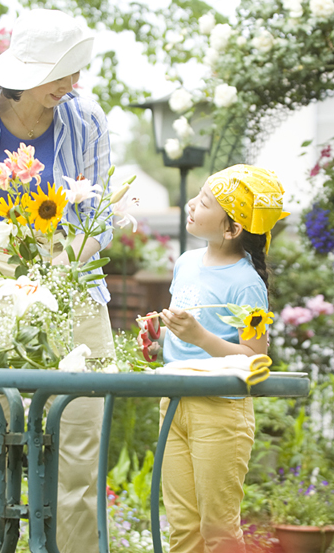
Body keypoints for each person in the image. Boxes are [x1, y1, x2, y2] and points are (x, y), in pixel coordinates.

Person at [0, 8, 115, 553]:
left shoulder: (87, 117)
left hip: (69, 269)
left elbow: (99, 209)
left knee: (82, 428)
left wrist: (70, 257)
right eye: (61, 73)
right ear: (26, 74)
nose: (72, 84)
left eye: (75, 72)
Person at [140, 164, 289, 553]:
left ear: (231, 229)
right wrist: (159, 340)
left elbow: (256, 356)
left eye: (204, 201)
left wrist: (200, 337)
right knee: (183, 527)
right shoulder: (185, 263)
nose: (191, 203)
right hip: (173, 403)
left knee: (219, 529)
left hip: (220, 412)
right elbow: (185, 337)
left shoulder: (246, 284)